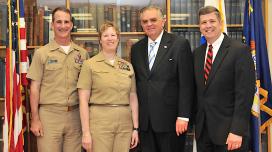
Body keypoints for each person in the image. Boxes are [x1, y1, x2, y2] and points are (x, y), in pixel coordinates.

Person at [131, 6, 194, 152]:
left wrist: (183, 116)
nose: (149, 24)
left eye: (153, 20)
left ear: (163, 21)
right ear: (141, 24)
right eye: (145, 21)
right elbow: (137, 84)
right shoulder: (136, 49)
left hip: (171, 122)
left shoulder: (179, 44)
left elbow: (186, 84)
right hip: (145, 123)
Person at [27, 7, 89, 152]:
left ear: (72, 25)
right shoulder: (41, 54)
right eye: (58, 22)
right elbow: (34, 88)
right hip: (49, 116)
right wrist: (35, 119)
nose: (63, 26)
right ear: (52, 25)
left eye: (66, 22)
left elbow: (87, 89)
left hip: (75, 117)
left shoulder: (83, 54)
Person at [193, 6, 255, 152]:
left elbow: (244, 94)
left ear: (220, 23)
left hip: (230, 134)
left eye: (212, 21)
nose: (208, 26)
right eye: (203, 22)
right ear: (199, 27)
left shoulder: (239, 50)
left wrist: (237, 130)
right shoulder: (197, 54)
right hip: (204, 133)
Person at [77, 22, 139, 152]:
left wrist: (135, 128)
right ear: (100, 40)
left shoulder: (127, 66)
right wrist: (86, 132)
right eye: (105, 35)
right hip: (100, 122)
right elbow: (83, 100)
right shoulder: (89, 65)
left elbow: (133, 97)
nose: (110, 38)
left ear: (118, 38)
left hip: (124, 124)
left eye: (113, 35)